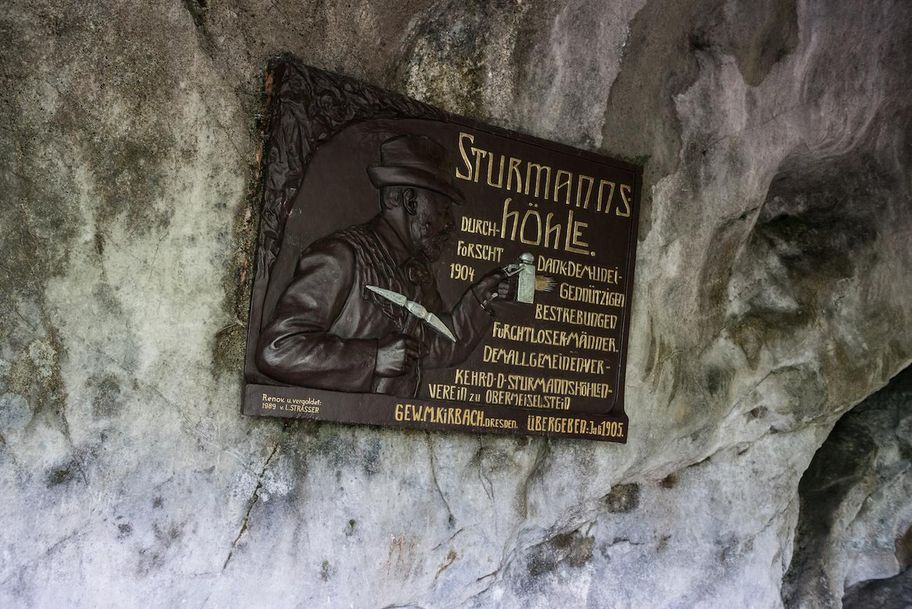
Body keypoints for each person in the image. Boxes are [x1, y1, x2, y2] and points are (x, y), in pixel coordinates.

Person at [257, 133, 511, 398]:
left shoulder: (417, 270)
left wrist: (480, 299)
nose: (449, 224)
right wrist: (374, 357)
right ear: (410, 202)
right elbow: (277, 349)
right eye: (443, 210)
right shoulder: (341, 257)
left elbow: (435, 347)